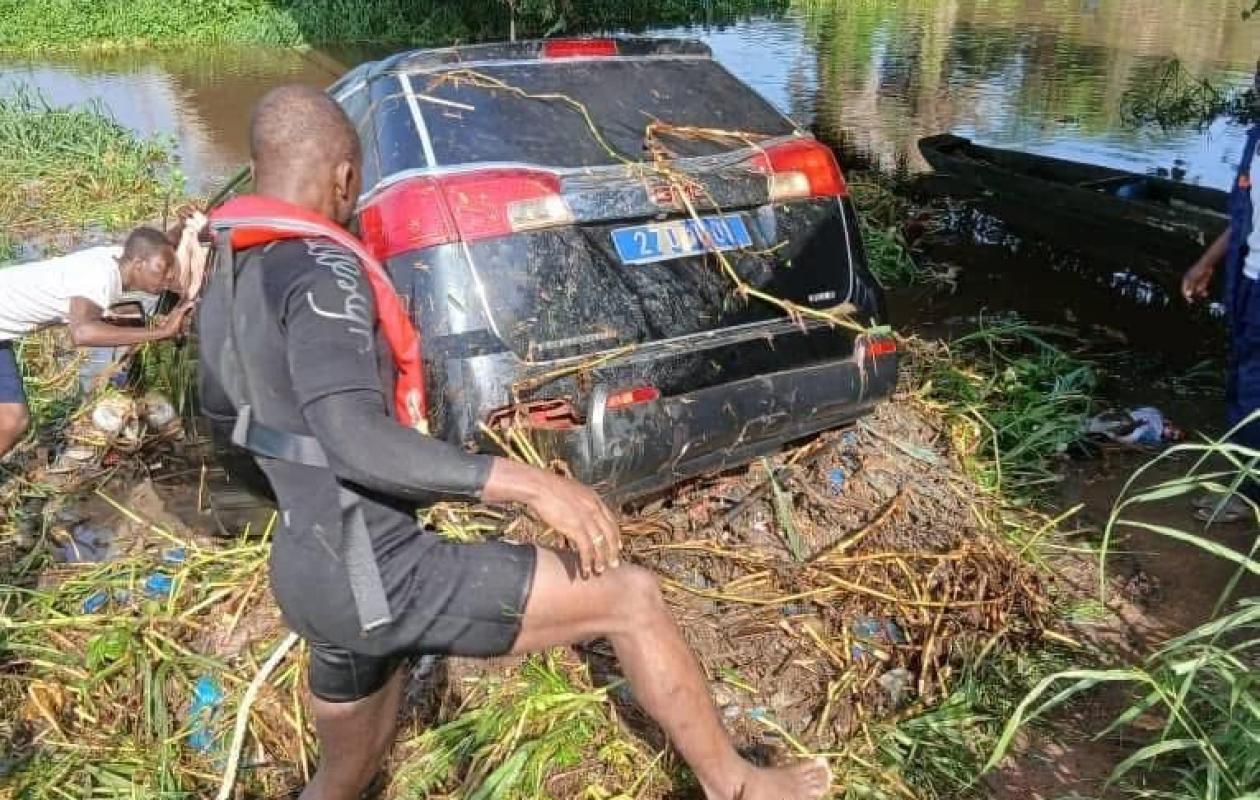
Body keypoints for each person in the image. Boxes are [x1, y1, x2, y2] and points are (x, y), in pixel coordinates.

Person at [197, 84, 831, 800]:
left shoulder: (231, 269)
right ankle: (735, 786)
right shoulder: (323, 269)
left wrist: (316, 514)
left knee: (344, 773)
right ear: (345, 177)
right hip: (372, 571)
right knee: (630, 597)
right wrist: (531, 483)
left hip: (308, 566)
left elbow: (226, 430)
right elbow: (352, 437)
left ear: (257, 169)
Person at [0, 229, 192, 461]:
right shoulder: (100, 277)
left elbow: (153, 245)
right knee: (12, 419)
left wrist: (182, 229)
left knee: (12, 419)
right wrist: (161, 332)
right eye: (163, 271)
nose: (170, 278)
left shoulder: (119, 258)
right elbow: (81, 333)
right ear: (139, 264)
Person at [1182, 118, 1260, 522]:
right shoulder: (1256, 140)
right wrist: (1205, 264)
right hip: (1248, 283)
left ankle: (1249, 495)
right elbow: (1242, 219)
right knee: (1242, 385)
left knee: (1253, 394)